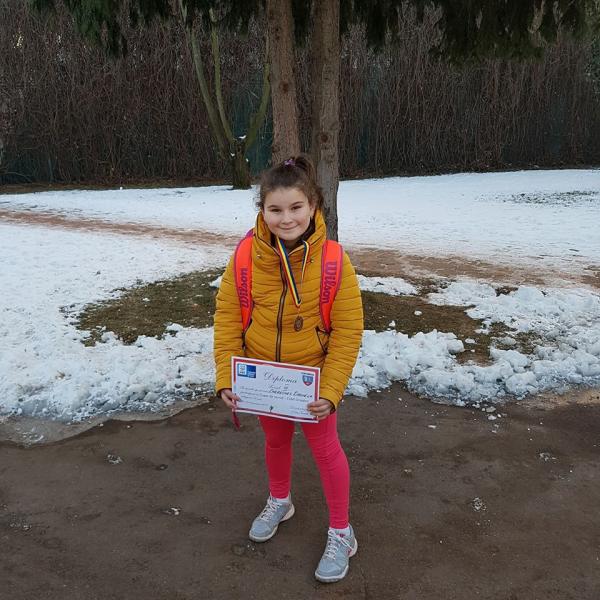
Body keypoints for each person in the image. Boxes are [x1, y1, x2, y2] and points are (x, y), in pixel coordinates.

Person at [213, 154, 363, 583]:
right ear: (262, 210)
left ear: (313, 205)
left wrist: (331, 391)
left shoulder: (333, 260)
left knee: (326, 452)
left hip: (311, 385)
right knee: (275, 441)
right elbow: (227, 318)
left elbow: (348, 332)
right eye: (275, 209)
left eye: (296, 207)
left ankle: (342, 532)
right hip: (263, 380)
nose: (286, 218)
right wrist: (226, 377)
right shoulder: (246, 255)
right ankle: (280, 500)